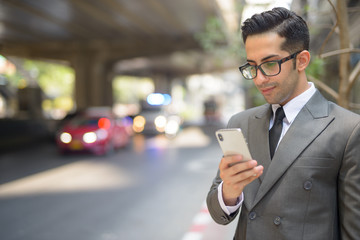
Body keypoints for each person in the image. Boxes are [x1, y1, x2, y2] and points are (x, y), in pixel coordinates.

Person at [206, 7, 360, 240]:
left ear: (302, 60)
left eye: (270, 64)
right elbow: (219, 214)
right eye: (252, 66)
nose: (259, 78)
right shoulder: (241, 123)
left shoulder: (347, 129)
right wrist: (229, 191)